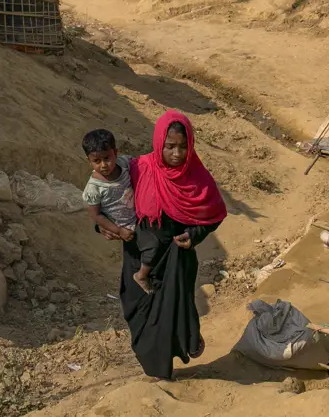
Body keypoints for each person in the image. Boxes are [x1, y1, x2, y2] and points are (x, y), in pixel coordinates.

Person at [122, 110, 227, 379]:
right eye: (170, 147)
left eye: (183, 147)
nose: (177, 153)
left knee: (170, 310)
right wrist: (104, 226)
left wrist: (193, 235)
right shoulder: (140, 168)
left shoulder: (197, 178)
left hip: (176, 259)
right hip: (140, 259)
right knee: (140, 313)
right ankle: (155, 365)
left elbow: (212, 215)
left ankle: (162, 371)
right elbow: (110, 198)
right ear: (159, 144)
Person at [81, 129, 135, 242]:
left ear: (115, 153)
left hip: (140, 220)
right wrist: (119, 231)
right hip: (125, 230)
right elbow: (96, 215)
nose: (103, 165)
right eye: (97, 161)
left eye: (106, 158)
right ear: (89, 161)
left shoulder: (125, 164)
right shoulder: (94, 188)